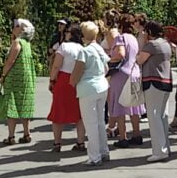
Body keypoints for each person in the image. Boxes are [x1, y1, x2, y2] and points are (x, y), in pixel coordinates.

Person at [70, 21, 111, 166]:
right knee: (100, 121)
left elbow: (77, 72)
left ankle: (94, 156)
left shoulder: (84, 51)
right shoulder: (99, 48)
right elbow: (107, 68)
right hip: (102, 86)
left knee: (90, 123)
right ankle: (104, 151)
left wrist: (72, 81)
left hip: (88, 88)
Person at [107, 13, 145, 148]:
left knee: (120, 106)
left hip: (121, 74)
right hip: (134, 72)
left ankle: (122, 137)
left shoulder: (120, 38)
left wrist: (110, 59)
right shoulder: (134, 39)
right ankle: (137, 134)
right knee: (134, 106)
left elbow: (121, 53)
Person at [0, 19, 37, 145]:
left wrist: (3, 75)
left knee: (12, 106)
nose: (14, 27)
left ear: (22, 29)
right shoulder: (27, 43)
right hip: (27, 78)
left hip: (14, 79)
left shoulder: (17, 42)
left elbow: (10, 61)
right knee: (24, 105)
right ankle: (26, 133)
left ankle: (11, 136)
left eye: (17, 26)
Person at [137, 21, 173, 162]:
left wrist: (142, 42)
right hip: (165, 82)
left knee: (154, 116)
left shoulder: (152, 45)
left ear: (150, 32)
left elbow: (139, 60)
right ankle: (165, 148)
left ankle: (159, 151)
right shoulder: (165, 43)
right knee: (162, 115)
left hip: (153, 82)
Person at [47, 23, 86, 152]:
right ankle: (80, 142)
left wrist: (52, 79)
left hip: (63, 79)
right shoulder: (82, 48)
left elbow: (57, 65)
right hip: (77, 80)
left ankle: (57, 143)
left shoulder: (64, 46)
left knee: (58, 111)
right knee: (79, 113)